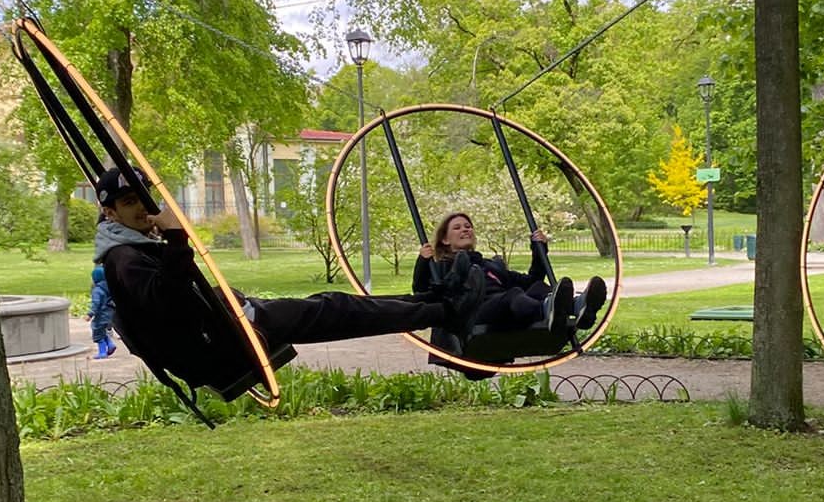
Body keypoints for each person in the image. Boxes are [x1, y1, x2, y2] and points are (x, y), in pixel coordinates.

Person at [93, 166, 489, 395]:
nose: (142, 208)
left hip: (233, 323)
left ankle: (439, 300)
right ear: (110, 213)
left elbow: (175, 299)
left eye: (143, 197)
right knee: (339, 309)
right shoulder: (123, 258)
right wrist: (177, 239)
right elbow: (168, 301)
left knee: (340, 305)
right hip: (231, 342)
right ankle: (446, 310)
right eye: (129, 202)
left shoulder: (132, 247)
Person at [413, 211, 607, 343]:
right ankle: (547, 310)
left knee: (538, 287)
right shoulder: (442, 267)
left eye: (468, 226)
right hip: (473, 314)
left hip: (506, 309)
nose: (465, 229)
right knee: (513, 294)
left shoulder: (490, 265)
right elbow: (422, 291)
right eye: (457, 228)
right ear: (445, 239)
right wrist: (423, 261)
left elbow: (532, 280)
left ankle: (578, 307)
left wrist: (538, 250)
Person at [89, 260, 117, 360]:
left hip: (101, 314)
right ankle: (110, 344)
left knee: (97, 331)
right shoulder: (110, 287)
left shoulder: (97, 290)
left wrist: (90, 314)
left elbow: (96, 303)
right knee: (102, 331)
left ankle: (102, 352)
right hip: (110, 314)